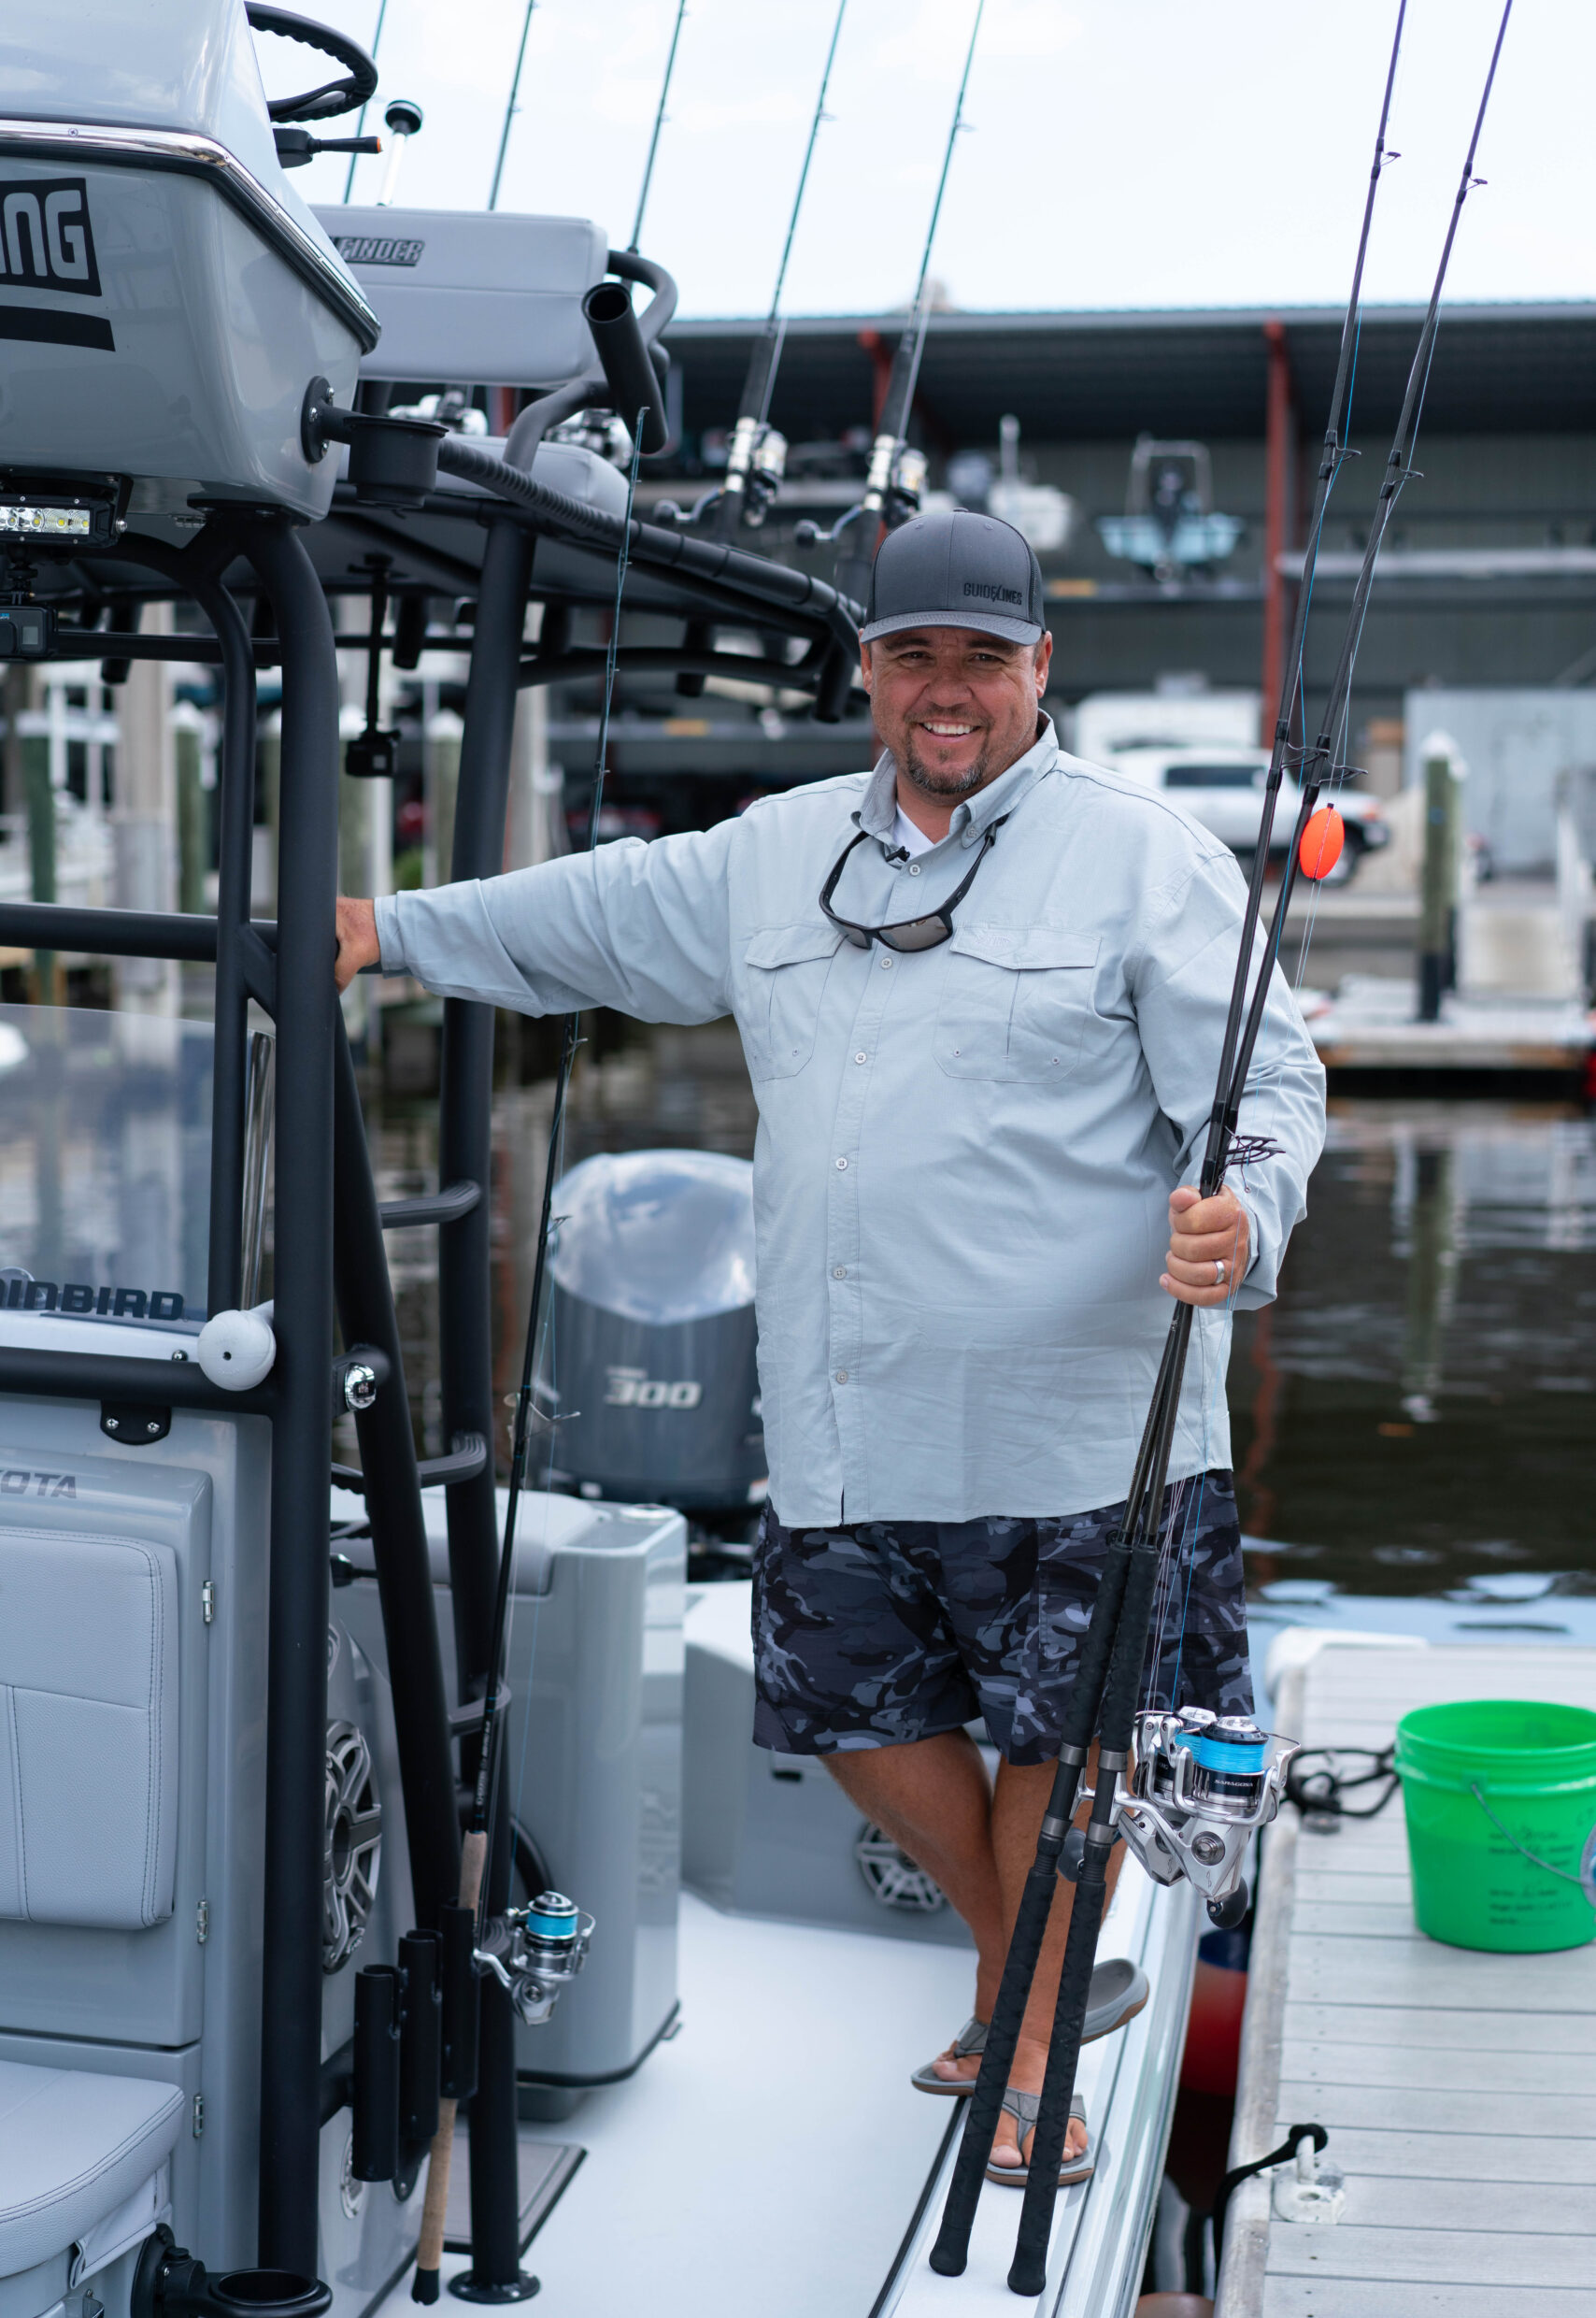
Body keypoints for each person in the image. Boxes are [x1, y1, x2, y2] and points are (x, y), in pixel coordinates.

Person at [335, 508, 1325, 2187]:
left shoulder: (1151, 858)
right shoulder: (775, 850)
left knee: (1063, 1750)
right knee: (858, 1725)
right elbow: (581, 916)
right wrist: (388, 930)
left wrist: (1246, 1206)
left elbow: (1271, 1089)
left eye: (983, 661)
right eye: (915, 656)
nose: (950, 694)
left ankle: (1025, 2050)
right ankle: (1033, 1973)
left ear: (1039, 670)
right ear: (868, 669)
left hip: (1088, 1425)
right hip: (844, 1415)